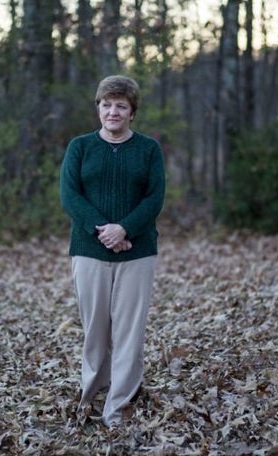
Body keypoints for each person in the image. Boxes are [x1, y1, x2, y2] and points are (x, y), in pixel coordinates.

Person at [60, 75, 166, 427]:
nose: (113, 111)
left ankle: (117, 406)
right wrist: (103, 231)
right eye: (106, 104)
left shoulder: (148, 149)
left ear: (132, 111)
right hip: (89, 251)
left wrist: (125, 229)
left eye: (121, 105)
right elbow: (70, 195)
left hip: (137, 252)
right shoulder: (80, 147)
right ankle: (90, 394)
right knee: (96, 331)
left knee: (129, 331)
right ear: (98, 108)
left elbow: (154, 198)